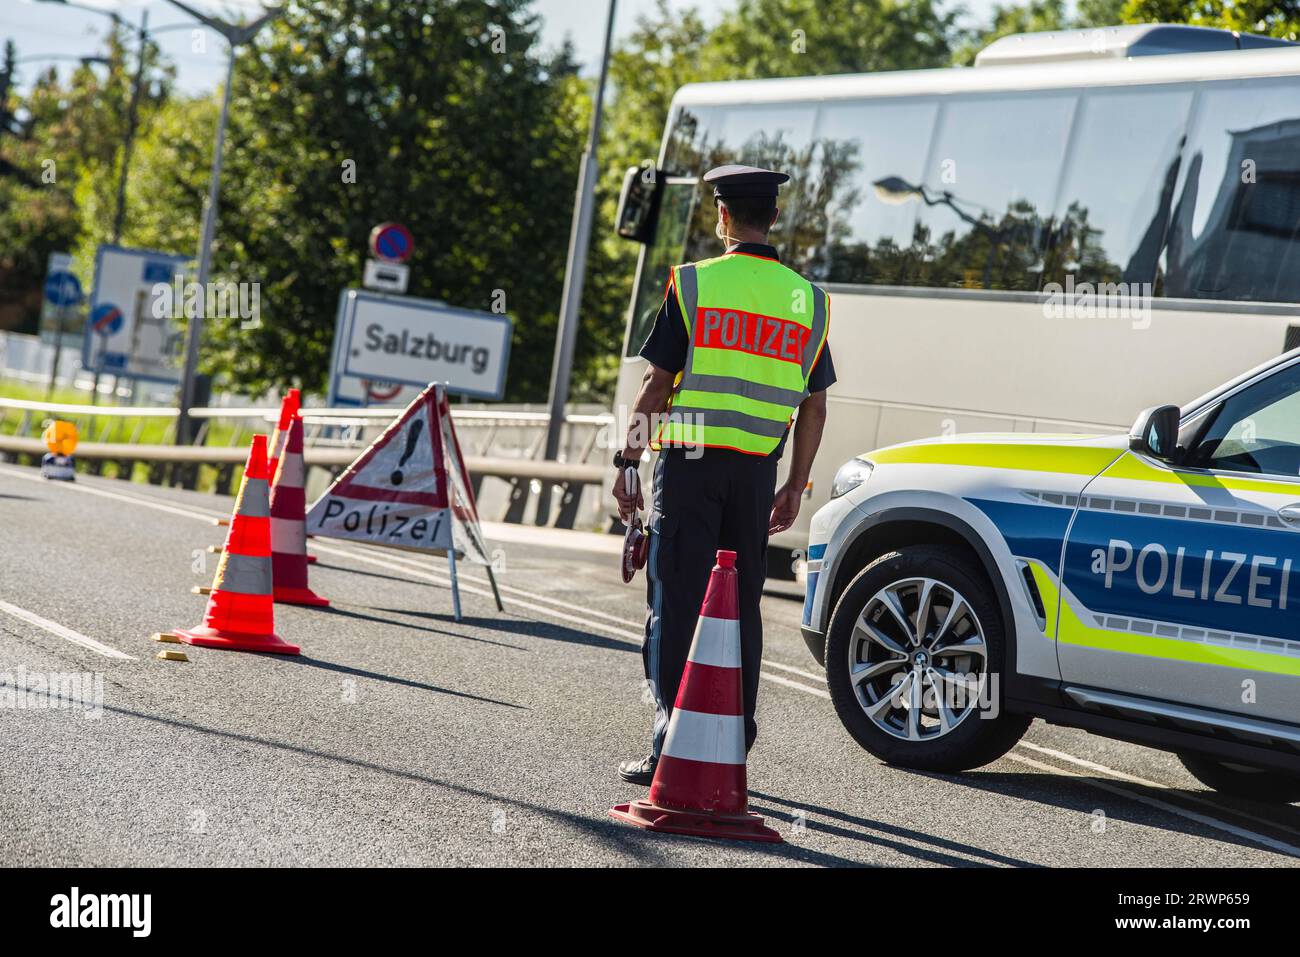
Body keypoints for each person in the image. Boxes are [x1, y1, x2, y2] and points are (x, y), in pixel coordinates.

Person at [612, 164, 835, 784]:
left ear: (722, 217)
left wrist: (627, 458)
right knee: (741, 607)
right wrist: (795, 484)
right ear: (775, 217)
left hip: (688, 470)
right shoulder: (809, 302)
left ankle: (668, 738)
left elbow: (657, 384)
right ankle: (734, 739)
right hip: (758, 476)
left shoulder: (694, 284)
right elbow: (815, 404)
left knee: (679, 599)